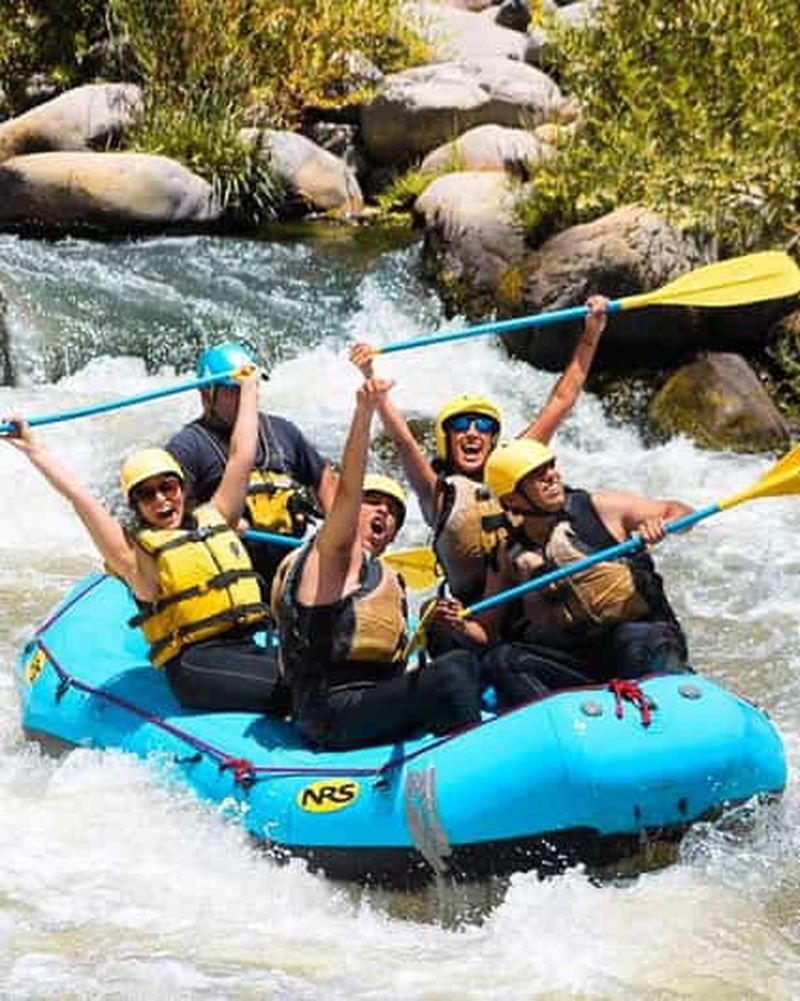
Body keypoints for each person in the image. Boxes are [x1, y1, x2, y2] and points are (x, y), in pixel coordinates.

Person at [2, 369, 289, 715]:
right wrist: (33, 449)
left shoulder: (217, 516)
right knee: (300, 689)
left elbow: (241, 455)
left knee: (324, 671)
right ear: (136, 506)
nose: (161, 500)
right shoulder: (134, 557)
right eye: (147, 494)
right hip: (197, 666)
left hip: (245, 644)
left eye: (168, 487)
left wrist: (248, 387)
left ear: (182, 488)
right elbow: (81, 499)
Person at [349, 297, 609, 607]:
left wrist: (591, 334)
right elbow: (404, 441)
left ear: (493, 439)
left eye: (483, 427)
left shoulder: (518, 462)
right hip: (474, 613)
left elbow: (561, 401)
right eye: (461, 424)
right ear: (447, 438)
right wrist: (369, 377)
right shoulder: (437, 493)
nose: (472, 433)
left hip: (533, 604)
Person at [270, 376, 483, 750]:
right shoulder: (333, 554)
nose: (382, 512)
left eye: (393, 512)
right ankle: (477, 770)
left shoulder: (385, 574)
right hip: (329, 711)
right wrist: (364, 413)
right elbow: (347, 492)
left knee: (452, 650)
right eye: (373, 503)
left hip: (369, 702)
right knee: (454, 672)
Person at [446, 437, 693, 707]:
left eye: (550, 467)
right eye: (536, 476)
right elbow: (485, 630)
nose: (552, 477)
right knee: (504, 660)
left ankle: (672, 705)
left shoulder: (600, 508)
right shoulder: (510, 554)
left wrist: (665, 524)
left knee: (640, 640)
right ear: (512, 498)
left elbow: (679, 510)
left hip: (642, 637)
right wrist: (458, 622)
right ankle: (566, 726)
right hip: (581, 660)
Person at [167, 342, 337, 590]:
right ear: (207, 395)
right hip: (232, 575)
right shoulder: (187, 447)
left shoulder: (283, 431)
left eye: (251, 388)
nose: (247, 397)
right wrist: (216, 522)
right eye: (235, 390)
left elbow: (323, 478)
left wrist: (337, 533)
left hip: (292, 568)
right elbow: (176, 518)